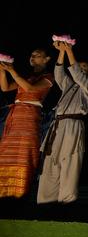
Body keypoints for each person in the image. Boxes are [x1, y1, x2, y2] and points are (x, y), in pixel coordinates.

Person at [37, 38, 88, 204]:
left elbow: (77, 73)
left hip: (73, 124)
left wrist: (69, 50)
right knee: (51, 158)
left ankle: (67, 199)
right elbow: (59, 74)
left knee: (69, 159)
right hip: (58, 124)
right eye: (80, 66)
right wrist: (62, 52)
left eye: (84, 67)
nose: (80, 69)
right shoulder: (69, 85)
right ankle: (46, 198)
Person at [0, 48, 53, 198]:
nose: (33, 57)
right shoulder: (27, 77)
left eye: (38, 55)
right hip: (16, 115)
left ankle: (22, 190)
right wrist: (2, 70)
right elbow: (5, 88)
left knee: (24, 152)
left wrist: (11, 70)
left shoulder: (49, 77)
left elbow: (30, 88)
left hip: (29, 116)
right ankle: (5, 189)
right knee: (7, 151)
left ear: (47, 59)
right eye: (32, 54)